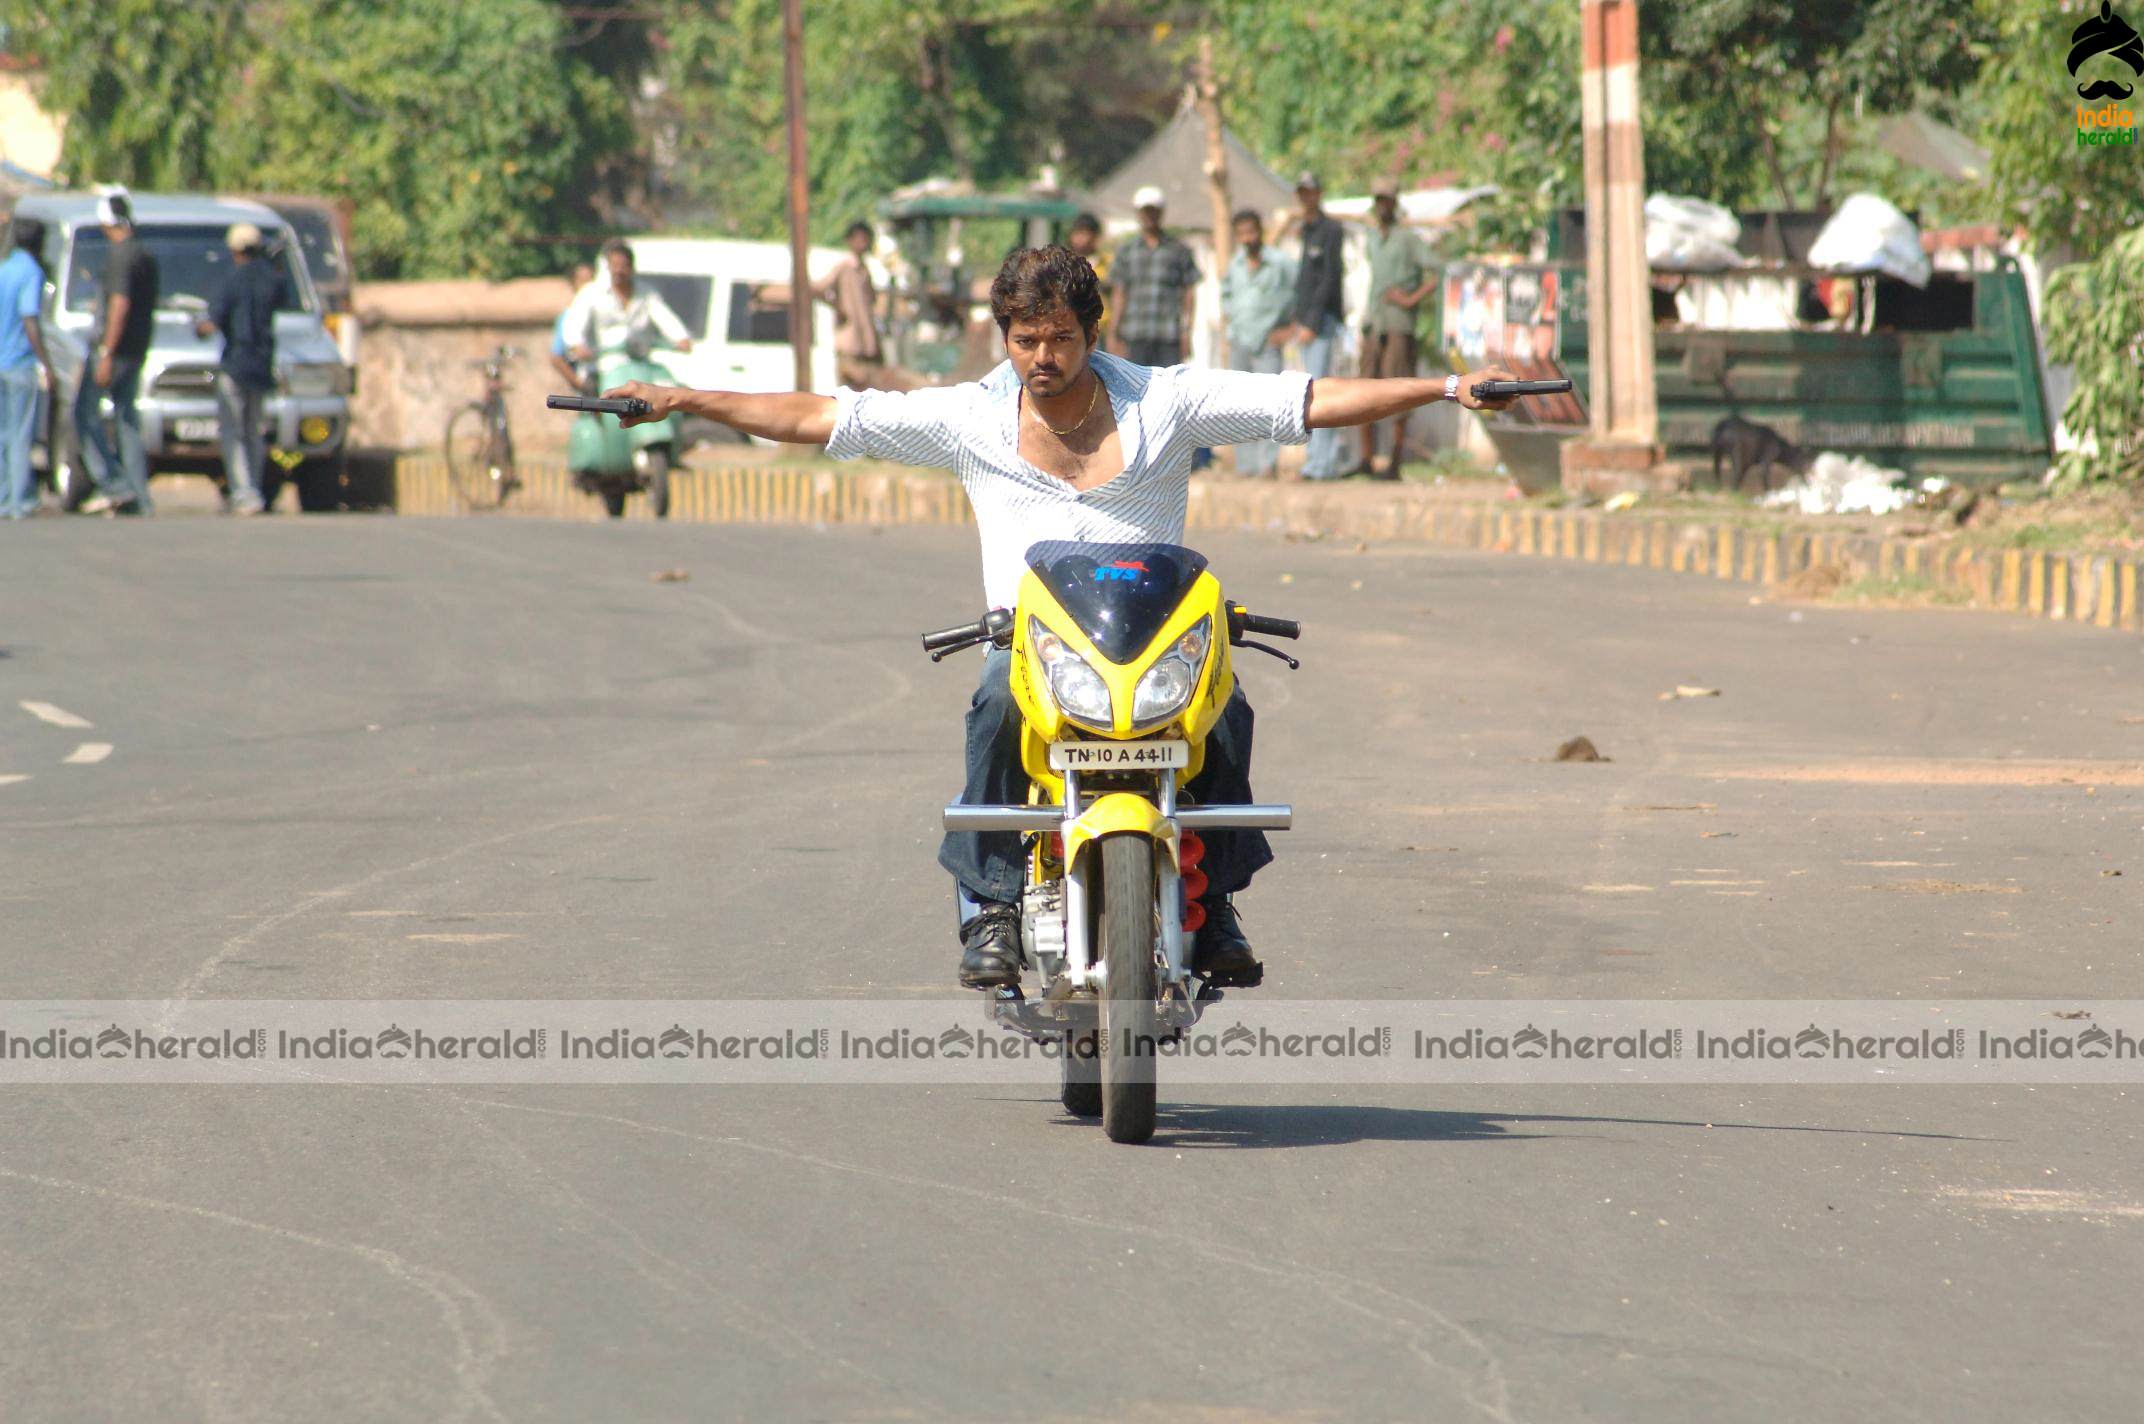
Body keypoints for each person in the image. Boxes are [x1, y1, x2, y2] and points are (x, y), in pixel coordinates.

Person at [595, 245, 1518, 988]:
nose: (1045, 358)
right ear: (1005, 338)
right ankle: (992, 908)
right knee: (996, 699)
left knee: (1227, 709)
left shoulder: (1169, 403)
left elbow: (1309, 402)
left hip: (1153, 643)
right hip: (1037, 648)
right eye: (1026, 339)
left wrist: (1444, 389)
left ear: (1092, 331)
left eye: (1062, 338)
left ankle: (1217, 900)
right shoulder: (969, 420)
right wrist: (682, 398)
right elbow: (818, 417)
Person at [194, 222, 286, 516]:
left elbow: (212, 323)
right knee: (254, 431)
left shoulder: (231, 280)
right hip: (262, 365)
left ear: (234, 250)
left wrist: (199, 327)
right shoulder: (271, 279)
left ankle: (244, 492)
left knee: (233, 431)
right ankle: (254, 489)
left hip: (235, 365)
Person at [76, 187, 158, 515]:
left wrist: (107, 352)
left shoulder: (121, 256)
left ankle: (114, 482)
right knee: (126, 421)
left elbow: (120, 304)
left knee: (84, 414)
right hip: (136, 350)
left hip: (116, 351)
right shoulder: (144, 255)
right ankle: (138, 497)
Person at [1356, 180, 1435, 479]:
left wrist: (1411, 298)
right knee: (1364, 389)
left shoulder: (1408, 239)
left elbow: (1439, 269)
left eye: (1387, 201)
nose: (1382, 206)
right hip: (1374, 323)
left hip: (1399, 324)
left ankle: (1395, 462)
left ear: (1394, 202)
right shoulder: (1373, 238)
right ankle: (1366, 460)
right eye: (1379, 201)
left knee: (1399, 390)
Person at [1218, 209, 1296, 478]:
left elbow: (1299, 293)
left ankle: (1267, 464)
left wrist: (1289, 328)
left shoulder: (1280, 263)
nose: (1248, 238)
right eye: (1242, 233)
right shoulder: (1235, 264)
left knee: (1270, 403)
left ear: (1260, 232)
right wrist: (1230, 326)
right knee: (1239, 405)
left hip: (1267, 340)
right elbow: (1226, 296)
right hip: (1240, 339)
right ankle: (1246, 465)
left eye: (1251, 231)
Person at [1283, 172, 1349, 480]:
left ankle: (1322, 465)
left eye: (1311, 191)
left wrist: (1311, 321)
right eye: (1302, 192)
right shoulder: (1305, 230)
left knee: (1318, 392)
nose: (1306, 197)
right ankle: (1316, 462)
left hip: (1321, 322)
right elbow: (1304, 282)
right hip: (1307, 321)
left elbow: (1329, 279)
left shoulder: (1330, 230)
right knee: (1307, 392)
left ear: (1319, 193)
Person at [1108, 186, 1200, 368]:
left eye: (1153, 211)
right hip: (1134, 335)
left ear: (1161, 213)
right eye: (1145, 212)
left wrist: (1186, 333)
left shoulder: (1178, 250)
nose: (1149, 216)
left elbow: (1188, 293)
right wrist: (1113, 333)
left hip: (1168, 336)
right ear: (1138, 214)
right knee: (1134, 390)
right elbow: (1119, 293)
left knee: (1169, 389)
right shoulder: (1126, 251)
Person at [564, 238, 693, 365]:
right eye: (615, 266)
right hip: (604, 366)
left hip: (640, 363)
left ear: (631, 267)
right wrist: (577, 346)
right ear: (608, 267)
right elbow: (574, 324)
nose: (619, 271)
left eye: (623, 266)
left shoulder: (646, 293)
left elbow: (665, 317)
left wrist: (681, 338)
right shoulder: (591, 293)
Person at [0, 216, 53, 520]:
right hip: (19, 363)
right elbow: (29, 317)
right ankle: (18, 501)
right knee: (20, 433)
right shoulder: (31, 272)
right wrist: (45, 362)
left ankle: (3, 498)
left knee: (2, 434)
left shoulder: (4, 269)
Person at [816, 221, 898, 390]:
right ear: (849, 241)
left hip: (866, 344)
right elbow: (819, 288)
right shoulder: (844, 266)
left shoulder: (864, 269)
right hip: (850, 344)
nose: (863, 244)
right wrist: (838, 308)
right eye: (859, 239)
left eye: (866, 240)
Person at [548, 260, 596, 391]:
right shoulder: (569, 316)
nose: (588, 286)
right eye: (583, 280)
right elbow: (556, 357)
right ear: (574, 284)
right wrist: (580, 384)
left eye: (592, 279)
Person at [1066, 212, 1111, 343]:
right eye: (1078, 233)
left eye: (1086, 233)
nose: (1082, 238)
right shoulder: (1066, 264)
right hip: (1073, 327)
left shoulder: (1107, 262)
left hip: (1101, 329)